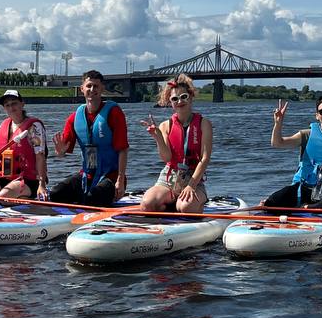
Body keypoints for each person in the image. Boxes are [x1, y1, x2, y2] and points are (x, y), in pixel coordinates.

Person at [261, 93, 322, 210]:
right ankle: (268, 207)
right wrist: (278, 124)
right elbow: (277, 143)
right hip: (303, 191)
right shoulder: (306, 135)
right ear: (317, 116)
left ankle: (310, 207)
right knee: (278, 197)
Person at [49, 70, 129, 207]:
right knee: (56, 193)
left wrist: (120, 181)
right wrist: (60, 152)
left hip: (111, 175)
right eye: (89, 86)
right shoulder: (74, 118)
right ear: (82, 89)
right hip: (87, 176)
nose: (92, 90)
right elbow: (63, 153)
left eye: (96, 86)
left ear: (102, 88)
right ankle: (83, 200)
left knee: (93, 198)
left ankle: (95, 198)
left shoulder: (114, 113)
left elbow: (123, 150)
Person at [140, 74, 213, 213]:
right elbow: (166, 158)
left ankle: (194, 203)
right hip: (169, 176)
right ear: (170, 102)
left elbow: (205, 158)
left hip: (193, 177)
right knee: (147, 204)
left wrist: (191, 185)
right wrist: (158, 138)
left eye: (183, 96)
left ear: (191, 97)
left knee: (185, 207)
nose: (180, 101)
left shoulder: (204, 124)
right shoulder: (165, 126)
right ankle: (169, 202)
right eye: (175, 99)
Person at [0, 89, 48, 200]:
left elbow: (40, 156)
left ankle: (27, 197)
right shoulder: (3, 126)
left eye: (14, 103)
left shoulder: (34, 127)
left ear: (22, 104)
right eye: (7, 105)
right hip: (4, 177)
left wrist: (42, 185)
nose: (11, 108)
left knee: (4, 196)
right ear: (4, 109)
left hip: (28, 178)